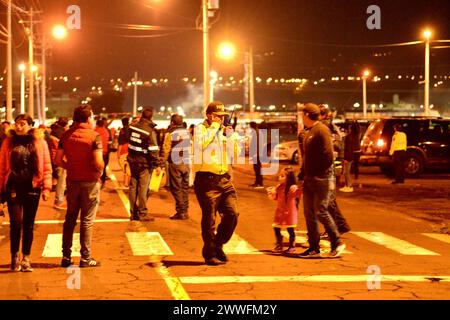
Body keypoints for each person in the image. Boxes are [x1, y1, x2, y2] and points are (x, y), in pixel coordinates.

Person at [0, 114, 52, 272]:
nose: (18, 126)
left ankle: (26, 258)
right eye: (17, 124)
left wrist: (47, 187)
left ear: (30, 125)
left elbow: (47, 165)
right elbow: (2, 166)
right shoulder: (8, 142)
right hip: (14, 187)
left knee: (28, 225)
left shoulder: (40, 142)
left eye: (22, 124)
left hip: (32, 187)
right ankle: (14, 256)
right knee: (15, 223)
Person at [55, 105, 104, 268]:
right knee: (87, 221)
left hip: (73, 181)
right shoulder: (94, 136)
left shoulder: (66, 135)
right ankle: (85, 258)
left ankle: (66, 257)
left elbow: (58, 160)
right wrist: (100, 170)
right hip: (90, 182)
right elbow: (98, 162)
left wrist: (71, 167)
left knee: (70, 219)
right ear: (88, 118)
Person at [193, 101, 240, 266]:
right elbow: (200, 145)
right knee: (210, 219)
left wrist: (232, 137)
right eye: (218, 116)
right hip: (207, 181)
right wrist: (214, 127)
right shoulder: (201, 129)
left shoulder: (223, 131)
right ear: (209, 115)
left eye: (223, 116)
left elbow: (236, 153)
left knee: (233, 214)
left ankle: (218, 243)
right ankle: (210, 253)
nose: (222, 119)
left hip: (225, 180)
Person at [297, 103, 346, 259]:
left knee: (321, 211)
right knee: (308, 214)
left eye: (302, 115)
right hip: (309, 179)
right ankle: (313, 247)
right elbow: (306, 157)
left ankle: (337, 242)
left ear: (307, 115)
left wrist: (319, 174)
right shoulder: (309, 132)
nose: (301, 118)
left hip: (320, 179)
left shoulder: (321, 130)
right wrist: (302, 175)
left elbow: (329, 155)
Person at [127, 107, 162, 222]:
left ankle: (133, 213)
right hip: (144, 163)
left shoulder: (132, 127)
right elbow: (153, 150)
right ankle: (142, 213)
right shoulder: (149, 131)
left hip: (132, 161)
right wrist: (156, 164)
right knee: (143, 188)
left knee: (133, 187)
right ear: (151, 117)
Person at [160, 114, 191, 220]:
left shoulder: (170, 133)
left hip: (175, 163)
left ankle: (181, 211)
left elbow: (166, 148)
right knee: (184, 188)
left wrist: (161, 162)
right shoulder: (187, 132)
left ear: (172, 122)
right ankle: (185, 210)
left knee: (176, 188)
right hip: (186, 162)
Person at [267, 167, 301, 254]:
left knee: (290, 230)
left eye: (282, 176)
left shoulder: (292, 188)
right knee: (276, 228)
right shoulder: (279, 187)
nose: (279, 177)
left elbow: (300, 192)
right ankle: (279, 244)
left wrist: (297, 186)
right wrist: (272, 193)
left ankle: (292, 247)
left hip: (290, 213)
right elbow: (276, 198)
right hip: (280, 212)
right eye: (280, 175)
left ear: (289, 178)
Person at [340, 125, 355, 192]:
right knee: (346, 172)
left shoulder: (348, 137)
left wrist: (346, 158)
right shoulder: (351, 137)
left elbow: (348, 149)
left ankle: (349, 186)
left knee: (346, 172)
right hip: (349, 157)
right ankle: (347, 185)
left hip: (348, 157)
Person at [95, 118, 110, 188]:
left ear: (97, 125)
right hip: (105, 152)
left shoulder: (95, 131)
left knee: (96, 168)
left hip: (98, 152)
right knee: (103, 168)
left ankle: (97, 182)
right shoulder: (106, 131)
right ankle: (103, 182)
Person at [249, 121, 264, 189]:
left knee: (257, 168)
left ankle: (259, 182)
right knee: (257, 168)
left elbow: (257, 144)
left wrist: (255, 153)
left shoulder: (257, 133)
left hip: (257, 154)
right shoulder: (257, 132)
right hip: (257, 154)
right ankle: (257, 182)